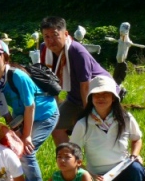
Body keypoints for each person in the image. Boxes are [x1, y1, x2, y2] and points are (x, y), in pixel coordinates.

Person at [0, 39, 59, 181]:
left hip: (44, 114)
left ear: (6, 58)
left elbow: (31, 107)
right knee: (12, 146)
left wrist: (26, 136)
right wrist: (11, 126)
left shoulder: (18, 76)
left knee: (26, 151)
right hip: (20, 116)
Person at [70, 75, 145, 181]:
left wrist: (134, 155)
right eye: (96, 94)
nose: (101, 98)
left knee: (137, 169)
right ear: (91, 98)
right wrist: (91, 175)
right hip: (98, 175)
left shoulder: (126, 118)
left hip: (123, 167)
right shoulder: (83, 124)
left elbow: (137, 139)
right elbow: (72, 155)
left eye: (106, 94)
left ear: (113, 98)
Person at [40, 16, 112, 144]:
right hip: (74, 98)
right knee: (55, 126)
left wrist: (87, 113)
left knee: (96, 130)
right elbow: (49, 82)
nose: (51, 41)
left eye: (55, 35)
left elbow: (85, 86)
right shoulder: (45, 50)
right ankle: (70, 160)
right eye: (46, 36)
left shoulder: (77, 52)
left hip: (100, 94)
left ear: (66, 33)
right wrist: (52, 109)